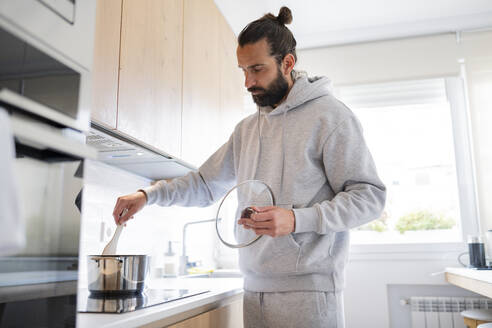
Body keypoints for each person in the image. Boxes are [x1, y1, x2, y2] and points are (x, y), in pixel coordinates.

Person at [112, 6, 386, 328]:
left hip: (309, 294)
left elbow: (370, 197)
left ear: (287, 63)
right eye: (243, 70)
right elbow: (204, 184)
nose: (248, 82)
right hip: (253, 291)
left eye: (257, 69)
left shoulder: (331, 117)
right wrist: (148, 195)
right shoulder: (246, 129)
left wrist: (297, 219)